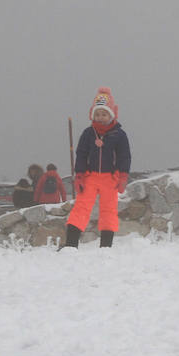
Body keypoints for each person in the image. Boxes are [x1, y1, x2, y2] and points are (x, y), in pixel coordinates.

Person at [64, 87, 131, 249]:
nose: (100, 117)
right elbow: (81, 154)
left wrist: (122, 176)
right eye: (97, 114)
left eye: (104, 114)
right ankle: (71, 245)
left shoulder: (119, 135)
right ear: (92, 115)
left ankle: (106, 247)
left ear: (111, 115)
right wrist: (79, 175)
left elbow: (124, 156)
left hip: (110, 178)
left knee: (109, 210)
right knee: (81, 207)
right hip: (90, 177)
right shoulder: (88, 133)